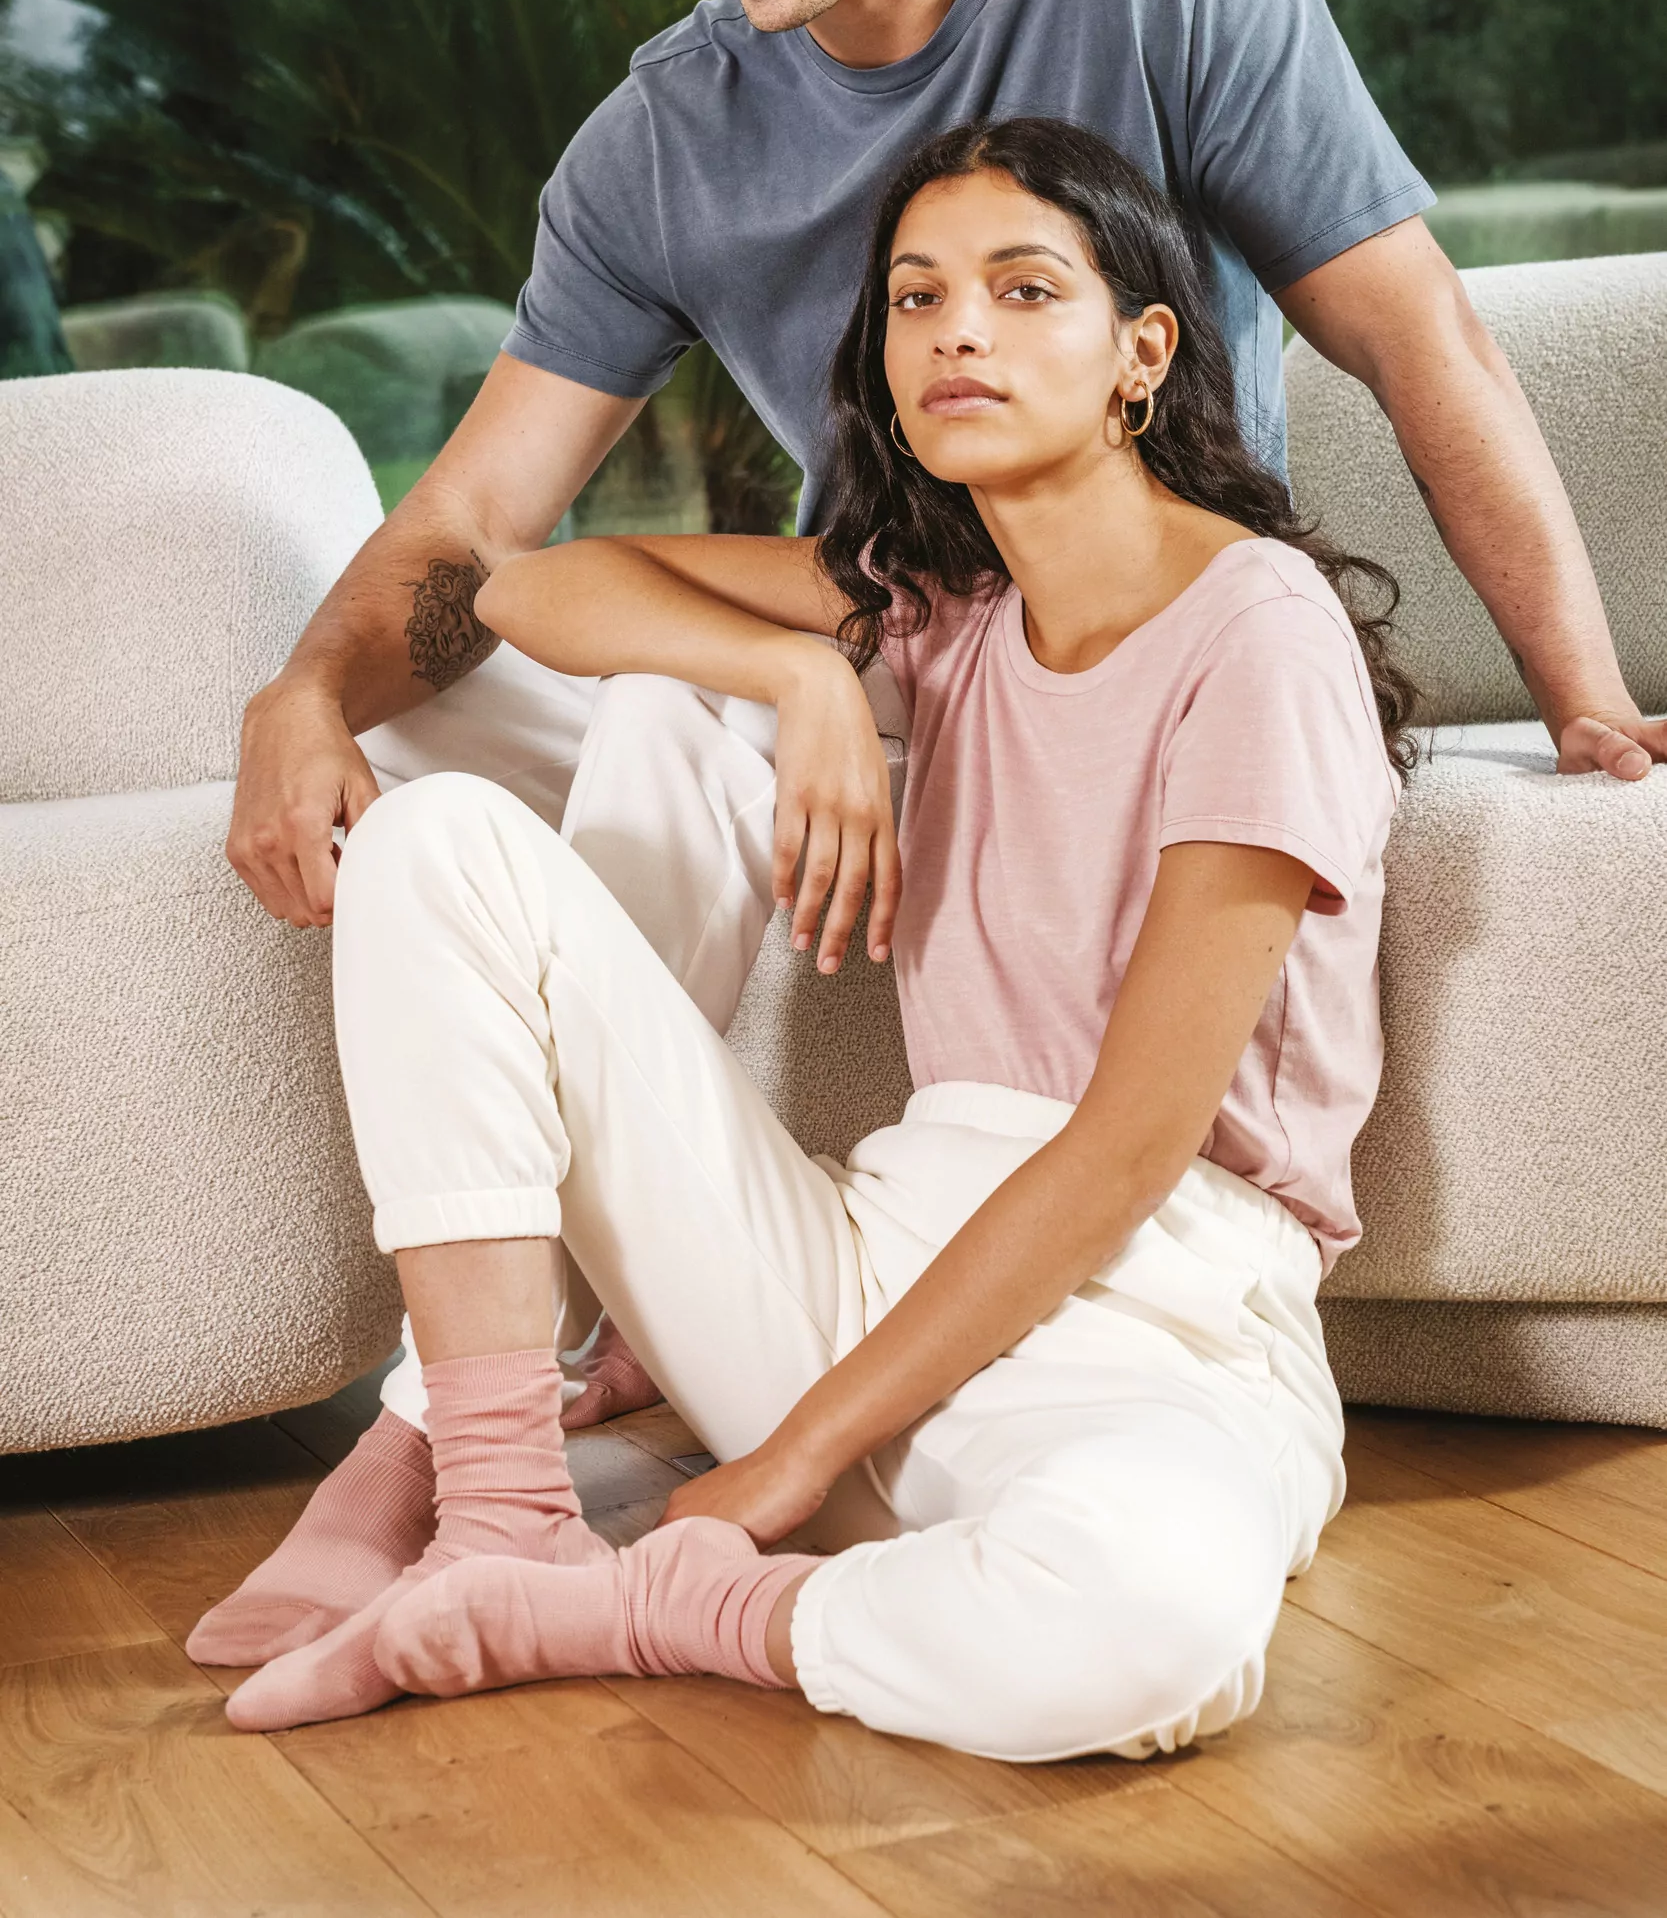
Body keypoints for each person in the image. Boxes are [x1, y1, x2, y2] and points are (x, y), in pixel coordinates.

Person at [196, 0, 1663, 1668]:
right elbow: (483, 535)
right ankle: (465, 1444)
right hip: (882, 624)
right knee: (471, 730)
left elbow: (1413, 333)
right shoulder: (666, 133)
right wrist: (305, 693)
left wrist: (1584, 696)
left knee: (661, 716)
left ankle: (587, 1471)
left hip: (1103, 629)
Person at [206, 116, 1410, 1754]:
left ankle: (634, 1606)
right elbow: (528, 590)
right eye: (916, 299)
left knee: (1150, 1623)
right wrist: (797, 673)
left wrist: (778, 1472)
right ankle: (502, 1513)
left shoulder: (1256, 628)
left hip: (1159, 1316)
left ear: (1141, 354)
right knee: (437, 843)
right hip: (861, 1269)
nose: (957, 332)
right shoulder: (942, 608)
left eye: (1021, 289)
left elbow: (1129, 1146)